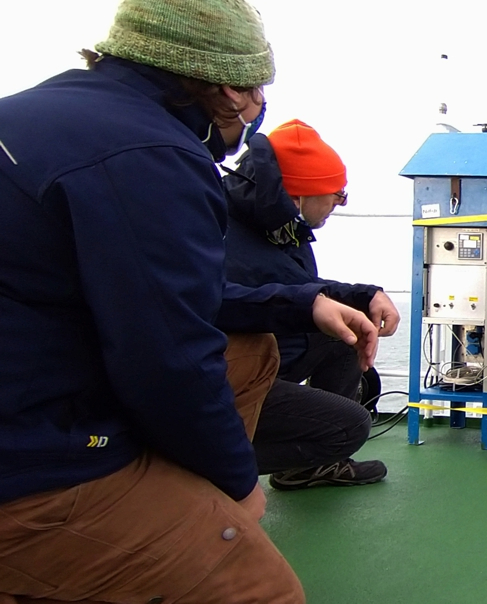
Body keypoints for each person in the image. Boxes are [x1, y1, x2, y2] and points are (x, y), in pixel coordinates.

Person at [0, 0, 377, 601]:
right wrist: (234, 485)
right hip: (32, 460)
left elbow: (169, 299)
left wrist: (305, 302)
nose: (255, 115)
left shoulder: (38, 113)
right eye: (257, 96)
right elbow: (168, 355)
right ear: (229, 89)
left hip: (34, 384)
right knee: (260, 589)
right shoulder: (154, 156)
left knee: (251, 350)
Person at [224, 119, 399, 489]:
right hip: (222, 375)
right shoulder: (226, 234)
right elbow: (230, 298)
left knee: (344, 335)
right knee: (349, 426)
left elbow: (298, 288)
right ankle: (197, 467)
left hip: (263, 352)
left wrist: (365, 296)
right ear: (298, 194)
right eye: (336, 193)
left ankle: (308, 467)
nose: (339, 201)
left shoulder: (277, 224)